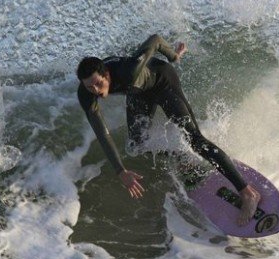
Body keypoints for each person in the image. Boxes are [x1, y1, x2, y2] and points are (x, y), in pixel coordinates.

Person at [76, 34, 261, 225]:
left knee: (195, 140)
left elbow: (154, 40)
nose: (96, 91)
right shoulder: (86, 93)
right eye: (90, 87)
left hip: (163, 83)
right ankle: (181, 157)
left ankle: (247, 193)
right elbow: (101, 132)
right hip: (138, 93)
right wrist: (120, 171)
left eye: (99, 83)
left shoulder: (128, 70)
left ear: (107, 74)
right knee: (136, 145)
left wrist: (173, 56)